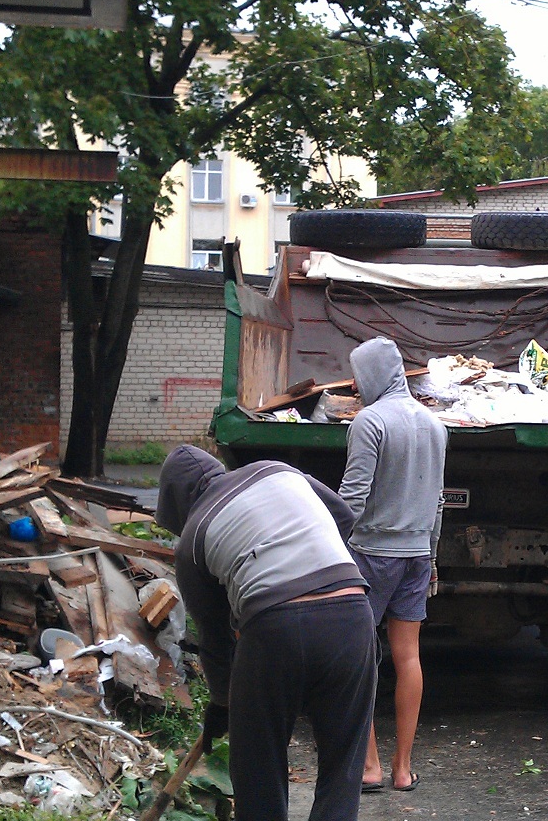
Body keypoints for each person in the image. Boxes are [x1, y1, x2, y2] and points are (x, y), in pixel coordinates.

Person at [157, 444, 377, 821]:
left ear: (178, 504)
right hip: (352, 615)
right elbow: (342, 513)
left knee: (258, 767)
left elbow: (214, 639)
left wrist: (223, 702)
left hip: (275, 629)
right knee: (343, 768)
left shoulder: (193, 537)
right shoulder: (276, 470)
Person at [339, 337, 448, 794]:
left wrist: (331, 549)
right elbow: (438, 502)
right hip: (418, 554)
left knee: (359, 658)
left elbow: (353, 496)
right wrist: (434, 555)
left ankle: (370, 767)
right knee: (408, 657)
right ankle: (404, 769)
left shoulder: (369, 422)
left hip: (370, 554)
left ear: (371, 376)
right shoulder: (435, 425)